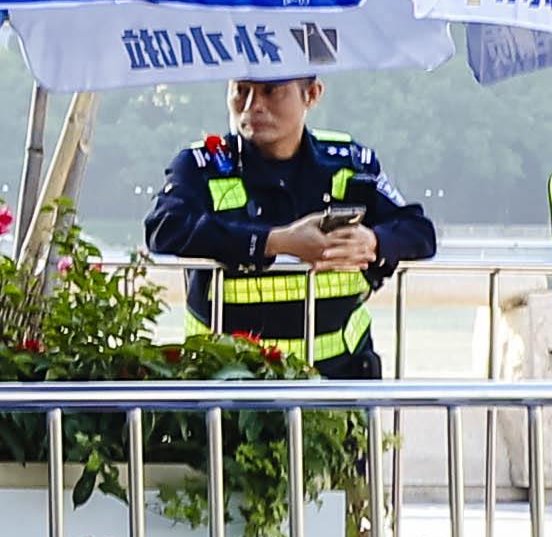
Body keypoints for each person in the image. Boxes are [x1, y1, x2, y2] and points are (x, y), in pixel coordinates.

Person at [141, 73, 433, 380]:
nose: (253, 106)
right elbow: (163, 228)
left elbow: (418, 231)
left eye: (271, 92)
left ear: (312, 94)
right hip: (230, 387)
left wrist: (372, 241)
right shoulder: (201, 165)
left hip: (337, 386)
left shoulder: (350, 162)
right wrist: (275, 242)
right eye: (241, 91)